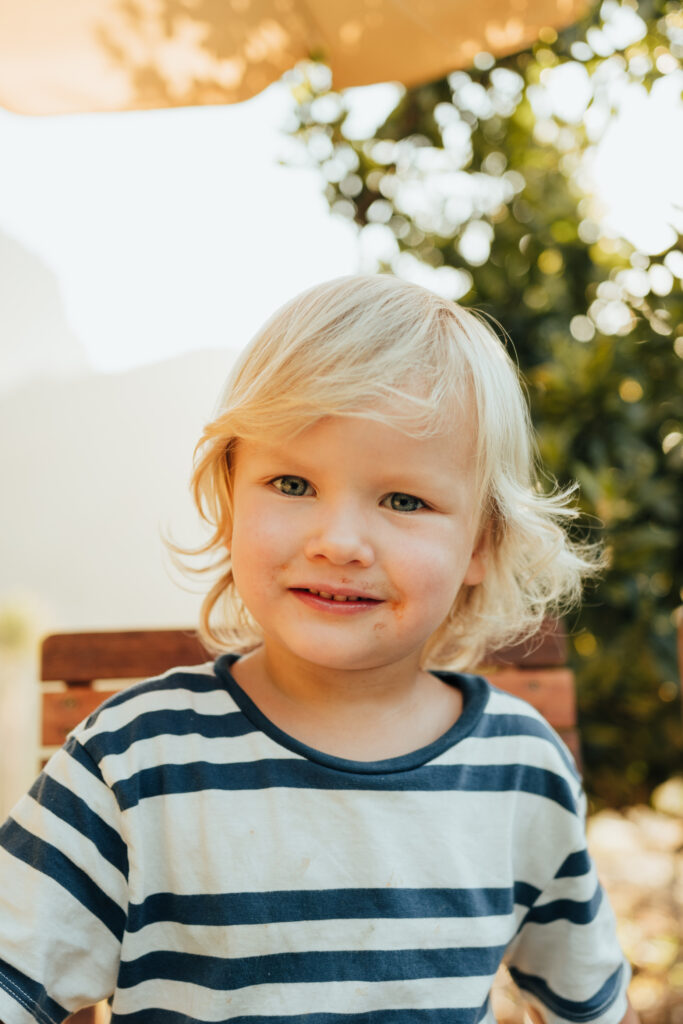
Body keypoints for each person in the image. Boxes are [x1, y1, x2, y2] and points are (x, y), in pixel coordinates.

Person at [0, 275, 638, 1024]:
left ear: (481, 542)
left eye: (404, 500)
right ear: (229, 498)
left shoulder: (520, 773)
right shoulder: (133, 759)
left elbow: (589, 1003)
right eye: (292, 483)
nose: (338, 542)